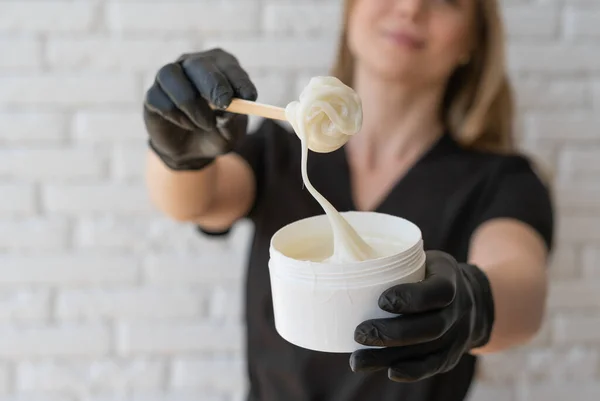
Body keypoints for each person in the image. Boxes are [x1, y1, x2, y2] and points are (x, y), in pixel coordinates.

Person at [142, 0, 554, 400]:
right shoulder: (280, 154)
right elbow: (196, 201)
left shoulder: (502, 181)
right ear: (351, 10)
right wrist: (180, 152)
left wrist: (473, 304)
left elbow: (524, 292)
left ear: (473, 43)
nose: (412, 7)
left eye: (446, 1)